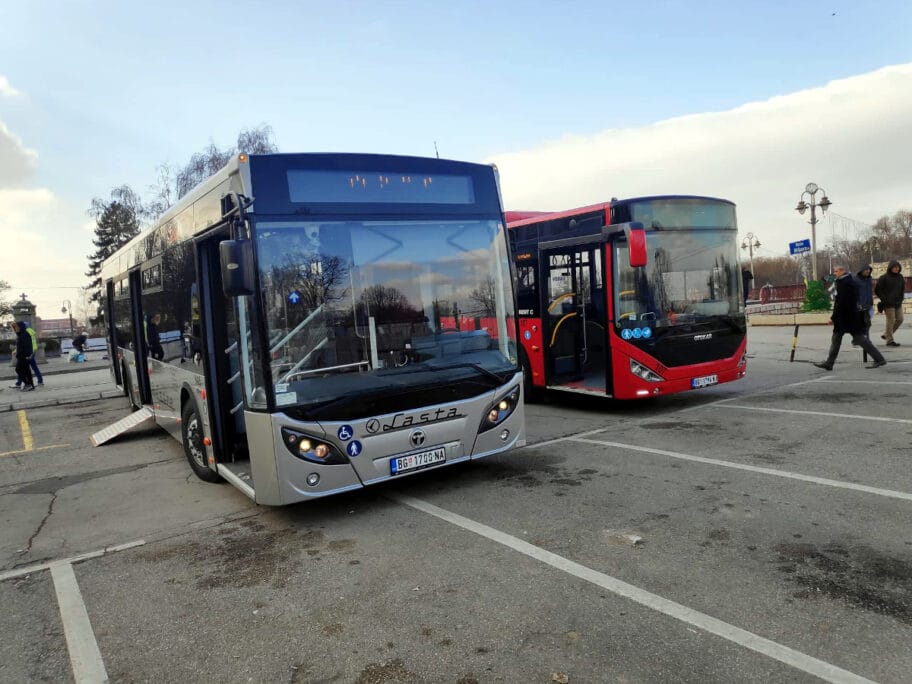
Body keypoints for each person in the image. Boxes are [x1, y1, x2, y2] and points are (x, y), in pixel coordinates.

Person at [813, 264, 886, 370]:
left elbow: (841, 303)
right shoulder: (847, 281)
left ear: (842, 271)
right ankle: (829, 363)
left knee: (858, 339)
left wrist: (833, 318)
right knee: (839, 339)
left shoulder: (845, 283)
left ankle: (879, 359)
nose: (834, 274)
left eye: (836, 271)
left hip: (846, 317)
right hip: (850, 316)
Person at [874, 260, 905, 347]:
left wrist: (901, 298)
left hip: (898, 303)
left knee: (900, 319)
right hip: (888, 304)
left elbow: (902, 289)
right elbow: (877, 290)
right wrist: (885, 299)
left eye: (898, 267)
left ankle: (887, 334)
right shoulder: (883, 278)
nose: (896, 269)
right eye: (895, 267)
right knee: (891, 320)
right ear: (890, 268)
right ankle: (890, 340)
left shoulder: (900, 277)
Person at [11, 322, 43, 388]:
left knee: (22, 368)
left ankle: (21, 383)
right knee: (27, 368)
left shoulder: (26, 332)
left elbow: (25, 344)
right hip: (31, 351)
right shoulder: (30, 331)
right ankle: (38, 381)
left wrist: (30, 353)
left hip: (28, 353)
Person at [854, 264, 875, 342]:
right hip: (859, 305)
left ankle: (865, 339)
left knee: (867, 323)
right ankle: (857, 339)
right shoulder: (855, 280)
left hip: (868, 305)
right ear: (861, 271)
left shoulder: (869, 279)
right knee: (860, 324)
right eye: (866, 270)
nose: (868, 271)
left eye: (869, 270)